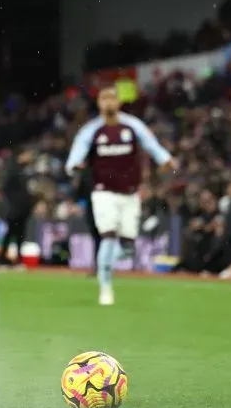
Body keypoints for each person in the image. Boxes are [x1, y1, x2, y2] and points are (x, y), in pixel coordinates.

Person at [65, 86, 174, 306]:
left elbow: (151, 144)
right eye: (104, 99)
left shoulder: (132, 125)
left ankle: (103, 265)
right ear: (99, 104)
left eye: (111, 98)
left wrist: (165, 159)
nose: (108, 103)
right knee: (108, 236)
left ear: (118, 102)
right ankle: (105, 288)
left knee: (127, 248)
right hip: (104, 192)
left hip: (130, 194)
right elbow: (77, 152)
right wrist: (73, 166)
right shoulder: (91, 130)